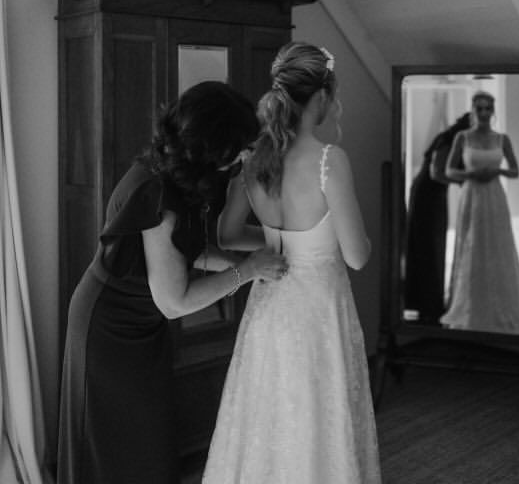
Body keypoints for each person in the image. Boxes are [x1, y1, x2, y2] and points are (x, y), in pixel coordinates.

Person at [57, 82, 287, 484]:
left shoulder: (178, 175)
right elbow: (174, 300)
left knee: (150, 444)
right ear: (213, 146)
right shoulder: (156, 191)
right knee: (121, 451)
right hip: (109, 330)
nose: (244, 155)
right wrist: (246, 271)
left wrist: (239, 260)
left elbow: (186, 252)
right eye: (239, 147)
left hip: (142, 328)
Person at [202, 42, 379, 483]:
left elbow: (226, 235)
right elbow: (357, 257)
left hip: (271, 303)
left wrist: (280, 244)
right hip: (319, 310)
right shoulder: (328, 161)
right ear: (321, 97)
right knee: (318, 420)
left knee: (267, 418)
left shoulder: (254, 159)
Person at [441, 92, 519, 334]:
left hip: (494, 195)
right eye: (479, 109)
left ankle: (499, 303)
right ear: (473, 110)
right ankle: (470, 305)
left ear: (493, 110)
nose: (484, 114)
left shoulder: (502, 139)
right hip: (471, 194)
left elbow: (514, 170)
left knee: (497, 244)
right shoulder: (463, 137)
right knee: (472, 244)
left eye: (488, 108)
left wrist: (497, 173)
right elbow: (449, 170)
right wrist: (470, 175)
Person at [403, 109, 473, 323]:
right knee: (429, 246)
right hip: (428, 196)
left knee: (432, 245)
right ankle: (428, 303)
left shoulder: (448, 139)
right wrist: (465, 179)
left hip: (432, 194)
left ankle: (428, 302)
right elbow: (437, 172)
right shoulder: (448, 140)